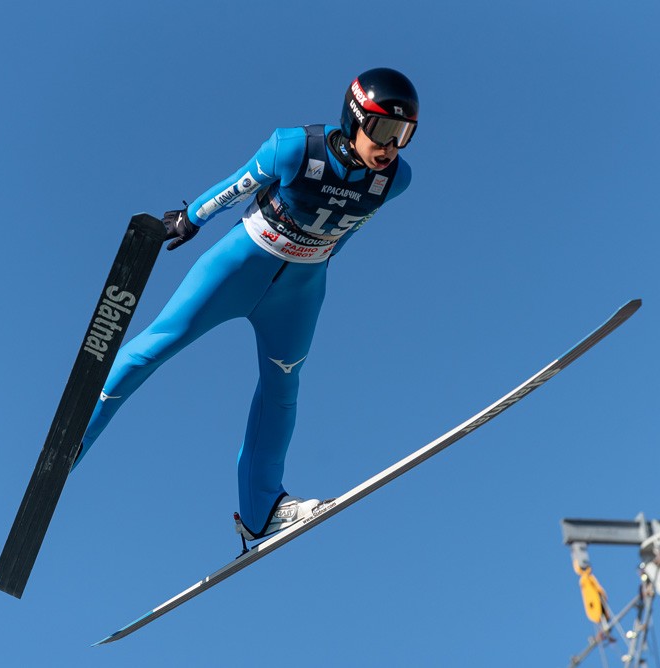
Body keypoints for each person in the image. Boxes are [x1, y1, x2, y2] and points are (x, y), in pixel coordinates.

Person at [74, 67, 418, 542]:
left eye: (404, 134)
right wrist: (190, 219)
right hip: (241, 265)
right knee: (156, 345)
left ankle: (262, 509)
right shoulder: (294, 148)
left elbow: (348, 228)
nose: (391, 146)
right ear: (354, 118)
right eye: (383, 129)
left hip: (300, 290)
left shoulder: (395, 180)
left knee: (282, 390)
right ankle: (72, 441)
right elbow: (238, 183)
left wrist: (316, 260)